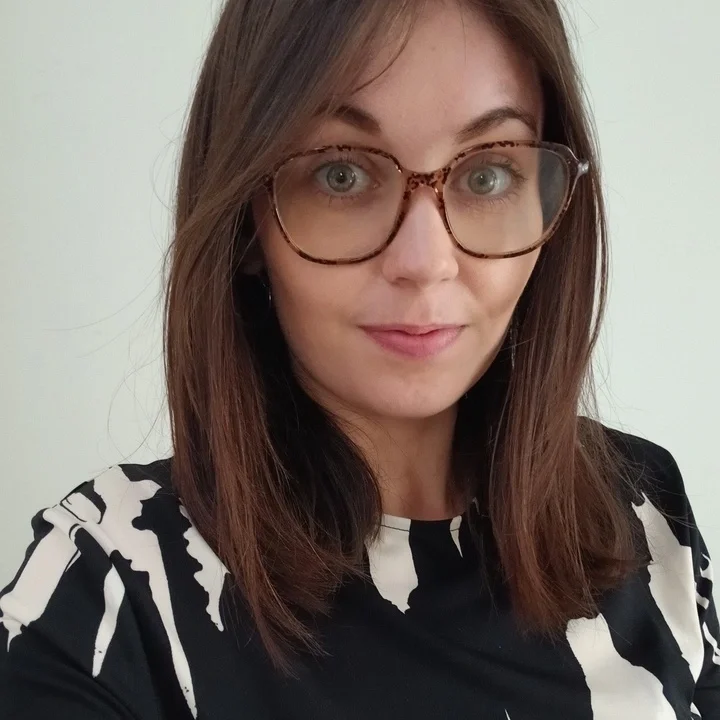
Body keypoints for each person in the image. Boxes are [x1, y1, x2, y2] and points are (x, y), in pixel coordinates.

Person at [1, 0, 718, 717]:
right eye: (341, 174)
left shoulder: (647, 512)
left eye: (488, 175)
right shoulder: (110, 584)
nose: (426, 262)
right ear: (246, 220)